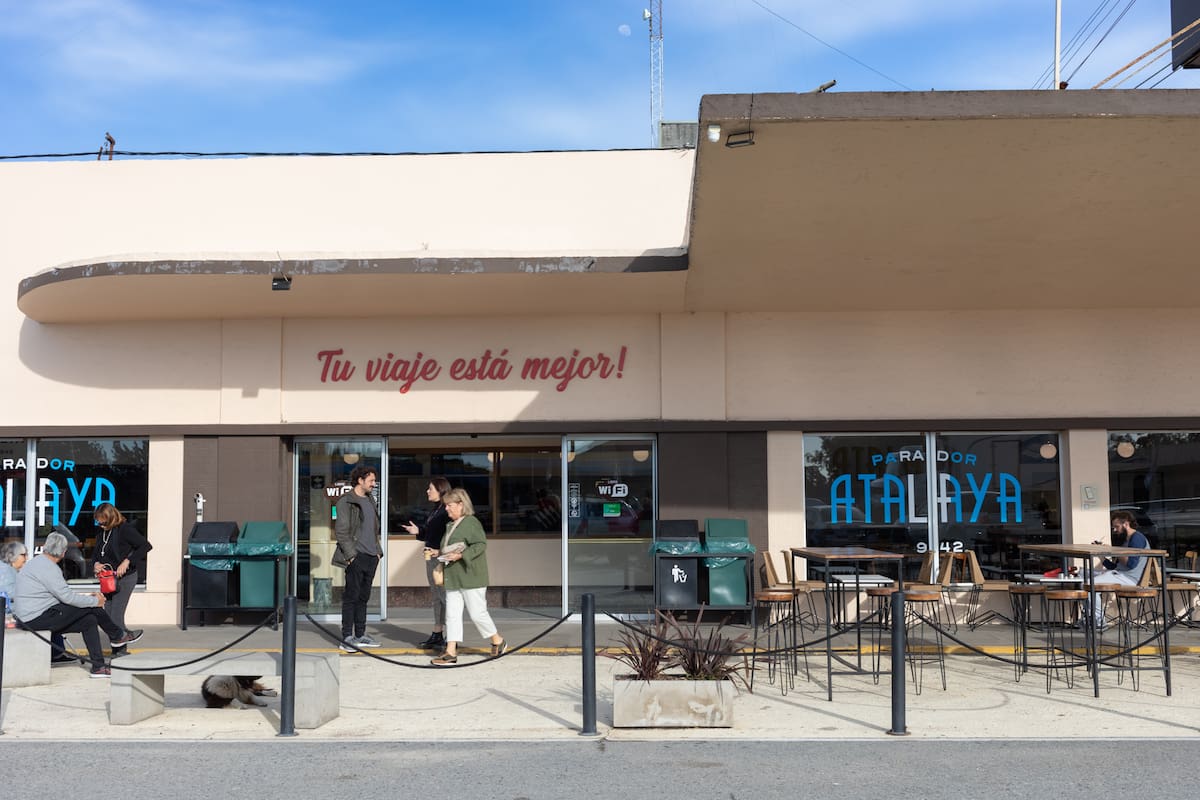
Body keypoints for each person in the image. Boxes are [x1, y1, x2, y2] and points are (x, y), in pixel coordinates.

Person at [11, 532, 142, 678]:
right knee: (92, 608)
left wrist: (87, 599)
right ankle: (117, 636)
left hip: (34, 615)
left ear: (46, 547)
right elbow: (67, 598)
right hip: (35, 619)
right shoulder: (49, 568)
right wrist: (95, 601)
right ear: (63, 552)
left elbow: (60, 596)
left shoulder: (37, 563)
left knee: (89, 621)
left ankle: (98, 667)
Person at [430, 488, 506, 666]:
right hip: (453, 576)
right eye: (446, 505)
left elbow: (480, 544)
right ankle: (450, 651)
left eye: (449, 505)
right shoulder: (450, 525)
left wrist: (461, 556)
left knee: (478, 613)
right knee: (452, 615)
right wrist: (438, 552)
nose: (446, 509)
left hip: (471, 576)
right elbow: (452, 547)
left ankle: (498, 640)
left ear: (461, 504)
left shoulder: (471, 522)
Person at [90, 503, 153, 658]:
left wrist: (127, 561)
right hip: (108, 579)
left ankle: (120, 652)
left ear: (111, 518)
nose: (101, 524)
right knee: (108, 615)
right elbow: (96, 554)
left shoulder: (125, 530)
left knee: (116, 615)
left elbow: (145, 546)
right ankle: (126, 636)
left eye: (103, 521)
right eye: (98, 521)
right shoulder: (101, 533)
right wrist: (96, 564)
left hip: (125, 578)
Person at [333, 465, 383, 651]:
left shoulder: (370, 499)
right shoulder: (346, 501)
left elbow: (373, 528)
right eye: (370, 480)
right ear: (360, 480)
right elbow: (342, 531)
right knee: (351, 597)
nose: (373, 483)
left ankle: (360, 635)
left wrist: (378, 552)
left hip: (371, 556)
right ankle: (347, 637)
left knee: (363, 598)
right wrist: (351, 556)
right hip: (357, 556)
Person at [1, 540, 75, 665]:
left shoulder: (11, 570)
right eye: (23, 555)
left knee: (50, 611)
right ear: (11, 555)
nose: (27, 558)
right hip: (14, 612)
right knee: (50, 614)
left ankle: (56, 653)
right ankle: (56, 654)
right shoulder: (5, 571)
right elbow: (11, 593)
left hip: (18, 609)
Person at [400, 477, 452, 650]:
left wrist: (440, 551)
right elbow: (431, 534)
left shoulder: (447, 511)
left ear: (441, 490)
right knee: (437, 597)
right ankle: (437, 634)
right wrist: (418, 531)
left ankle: (452, 638)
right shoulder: (437, 510)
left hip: (441, 560)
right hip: (431, 559)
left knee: (446, 598)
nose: (427, 491)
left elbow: (453, 538)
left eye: (430, 488)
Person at [1083, 510, 1151, 627]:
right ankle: (1088, 617)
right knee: (1083, 575)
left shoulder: (1137, 538)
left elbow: (1131, 564)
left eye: (1116, 526)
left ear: (1126, 524)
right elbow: (1114, 566)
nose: (1115, 530)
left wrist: (1113, 551)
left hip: (1130, 579)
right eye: (1113, 527)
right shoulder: (1126, 540)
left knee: (1090, 584)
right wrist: (1101, 554)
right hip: (1119, 574)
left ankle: (1098, 620)